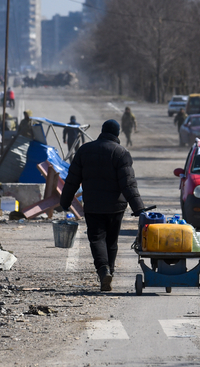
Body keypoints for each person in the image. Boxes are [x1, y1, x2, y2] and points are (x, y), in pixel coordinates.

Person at [60, 120, 147, 292]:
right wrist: (138, 208)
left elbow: (72, 181)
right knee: (111, 241)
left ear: (102, 131)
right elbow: (128, 184)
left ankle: (103, 270)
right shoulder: (121, 153)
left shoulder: (84, 150)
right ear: (117, 134)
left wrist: (65, 201)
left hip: (93, 205)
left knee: (96, 238)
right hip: (116, 206)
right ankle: (110, 271)